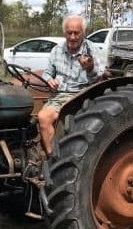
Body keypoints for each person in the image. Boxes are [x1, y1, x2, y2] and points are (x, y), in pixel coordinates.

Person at [38, 15, 109, 158]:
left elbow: (100, 77)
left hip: (82, 94)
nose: (72, 37)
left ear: (83, 33)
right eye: (69, 32)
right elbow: (47, 73)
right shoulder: (57, 50)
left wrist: (89, 68)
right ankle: (52, 156)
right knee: (42, 117)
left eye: (77, 33)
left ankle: (61, 158)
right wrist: (49, 79)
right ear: (64, 32)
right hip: (60, 94)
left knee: (54, 117)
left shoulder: (91, 50)